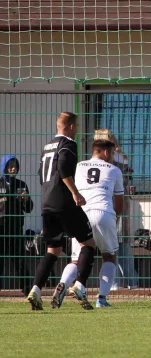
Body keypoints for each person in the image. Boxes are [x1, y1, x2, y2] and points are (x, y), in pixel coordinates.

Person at [27, 111, 97, 311]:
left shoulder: (47, 146)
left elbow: (42, 176)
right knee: (89, 244)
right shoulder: (68, 145)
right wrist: (75, 194)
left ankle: (36, 290)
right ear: (72, 127)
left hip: (47, 203)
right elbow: (64, 169)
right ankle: (80, 286)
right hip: (64, 203)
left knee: (53, 250)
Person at [53, 139, 124, 308]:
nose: (113, 157)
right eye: (113, 153)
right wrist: (113, 219)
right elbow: (120, 204)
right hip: (104, 213)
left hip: (81, 213)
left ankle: (63, 283)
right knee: (109, 256)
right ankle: (101, 299)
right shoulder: (114, 170)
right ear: (106, 153)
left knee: (77, 259)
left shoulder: (79, 166)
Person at [94, 129, 138, 290]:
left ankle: (115, 283)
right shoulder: (121, 158)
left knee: (115, 244)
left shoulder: (113, 160)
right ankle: (131, 282)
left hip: (113, 203)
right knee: (122, 244)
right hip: (118, 203)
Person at [0, 155, 34, 295]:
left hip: (15, 228)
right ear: (4, 167)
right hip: (1, 229)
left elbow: (29, 208)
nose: (13, 168)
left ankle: (27, 289)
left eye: (15, 165)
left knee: (19, 260)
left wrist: (25, 199)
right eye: (10, 165)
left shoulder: (21, 185)